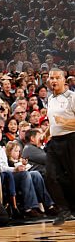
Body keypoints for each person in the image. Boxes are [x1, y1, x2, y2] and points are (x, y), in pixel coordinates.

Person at [45, 69, 75, 225]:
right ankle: (64, 210)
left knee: (72, 177)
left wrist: (65, 122)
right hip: (55, 141)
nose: (53, 81)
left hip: (71, 139)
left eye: (57, 78)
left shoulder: (72, 97)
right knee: (50, 175)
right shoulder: (50, 98)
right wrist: (45, 133)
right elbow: (53, 122)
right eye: (51, 78)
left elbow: (65, 121)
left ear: (64, 80)